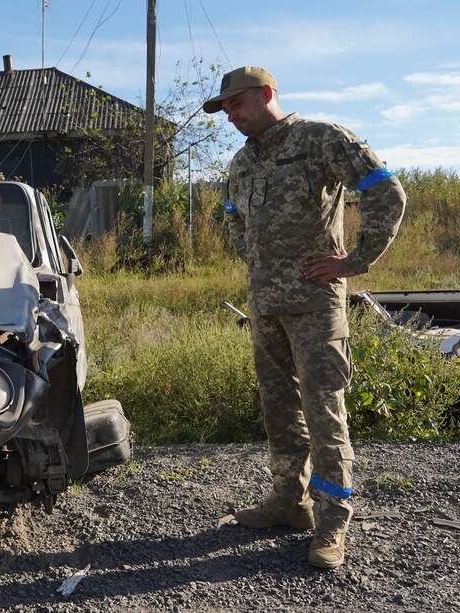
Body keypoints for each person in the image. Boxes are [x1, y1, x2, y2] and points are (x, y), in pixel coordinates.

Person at [202, 66, 406, 569]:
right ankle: (288, 502)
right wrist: (254, 261)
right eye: (224, 108)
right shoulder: (242, 160)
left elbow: (387, 192)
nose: (230, 115)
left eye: (236, 104)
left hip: (316, 305)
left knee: (323, 413)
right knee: (279, 412)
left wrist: (354, 262)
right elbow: (232, 214)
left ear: (267, 94)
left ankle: (332, 521)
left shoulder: (321, 140)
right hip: (266, 306)